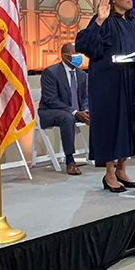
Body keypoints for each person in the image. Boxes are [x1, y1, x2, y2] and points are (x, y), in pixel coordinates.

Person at [75, 0, 135, 193]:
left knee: (129, 126)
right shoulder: (103, 21)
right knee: (112, 125)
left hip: (132, 81)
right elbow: (85, 46)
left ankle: (122, 169)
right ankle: (109, 173)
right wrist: (99, 20)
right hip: (108, 83)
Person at [38, 42, 90, 175]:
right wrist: (74, 112)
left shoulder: (82, 74)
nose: (78, 56)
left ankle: (101, 155)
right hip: (50, 112)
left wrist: (85, 110)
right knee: (67, 117)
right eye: (74, 53)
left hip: (75, 111)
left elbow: (84, 97)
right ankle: (70, 161)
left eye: (79, 53)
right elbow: (51, 100)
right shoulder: (50, 72)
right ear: (65, 56)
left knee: (98, 112)